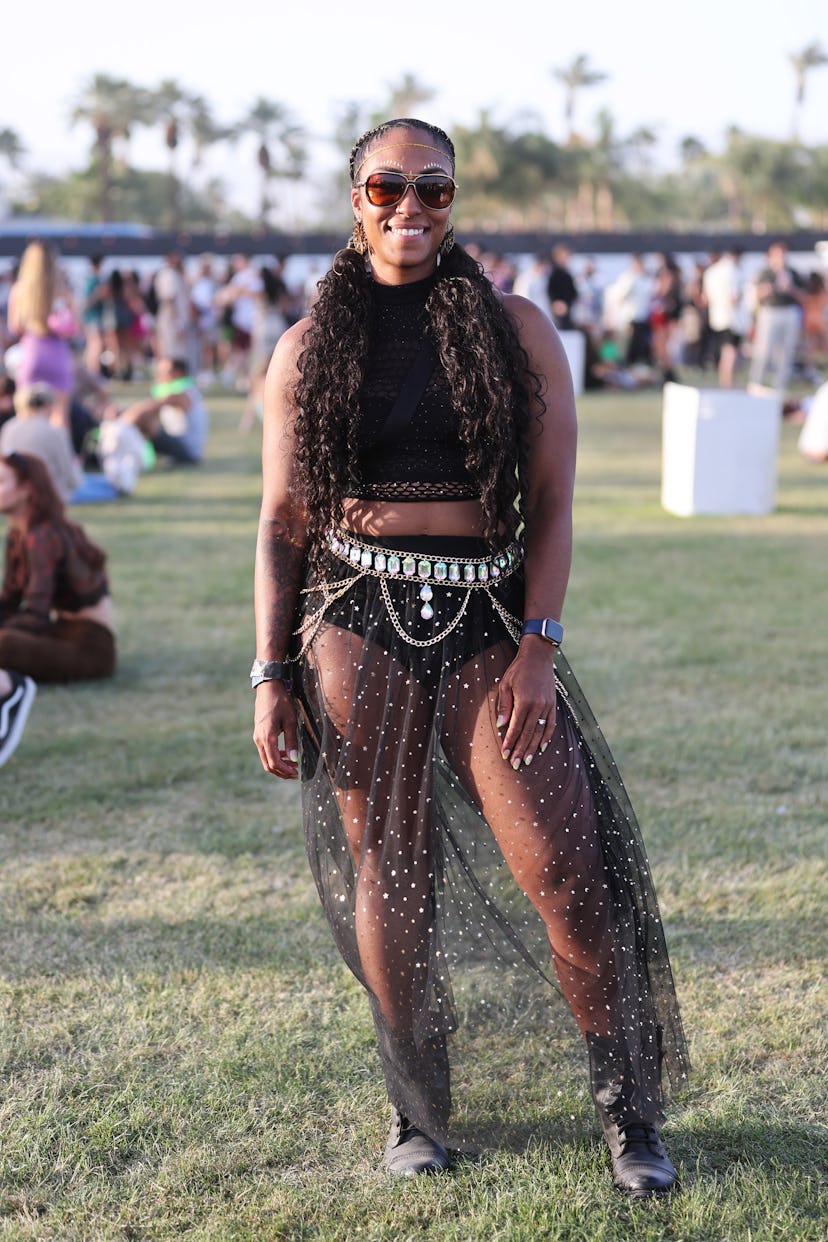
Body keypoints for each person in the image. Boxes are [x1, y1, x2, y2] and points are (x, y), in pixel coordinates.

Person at [252, 118, 688, 1195]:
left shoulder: (518, 328)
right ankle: (418, 1118)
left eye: (432, 188)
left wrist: (539, 646)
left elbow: (549, 503)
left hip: (494, 624)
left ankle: (629, 1117)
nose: (410, 207)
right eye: (388, 186)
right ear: (355, 199)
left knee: (567, 871)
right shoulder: (308, 347)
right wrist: (270, 668)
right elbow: (280, 520)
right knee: (389, 874)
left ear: (456, 200)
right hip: (356, 619)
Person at [0, 451, 116, 766]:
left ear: (26, 489)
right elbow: (9, 599)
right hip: (63, 631)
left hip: (91, 644)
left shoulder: (43, 535)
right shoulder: (19, 532)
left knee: (5, 643)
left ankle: (12, 691)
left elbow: (35, 614)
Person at [5, 241, 76, 428]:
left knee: (26, 416)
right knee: (60, 417)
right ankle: (58, 455)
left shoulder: (19, 290)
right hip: (57, 354)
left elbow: (14, 327)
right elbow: (74, 328)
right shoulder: (63, 292)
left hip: (31, 354)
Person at [112, 357, 208, 466]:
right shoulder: (183, 390)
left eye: (164, 373)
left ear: (179, 373)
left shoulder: (181, 393)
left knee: (145, 421)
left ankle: (116, 447)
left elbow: (145, 409)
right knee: (144, 421)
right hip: (179, 445)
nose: (159, 377)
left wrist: (119, 421)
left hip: (188, 452)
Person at [0, 383, 81, 504]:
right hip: (49, 495)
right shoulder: (55, 432)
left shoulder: (8, 428)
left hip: (15, 493)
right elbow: (71, 478)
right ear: (48, 405)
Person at [747, 241, 805, 395]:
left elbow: (803, 295)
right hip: (770, 311)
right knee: (764, 349)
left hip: (789, 311)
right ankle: (756, 383)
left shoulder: (793, 272)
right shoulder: (765, 273)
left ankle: (780, 385)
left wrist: (790, 288)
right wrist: (767, 290)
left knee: (786, 350)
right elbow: (756, 295)